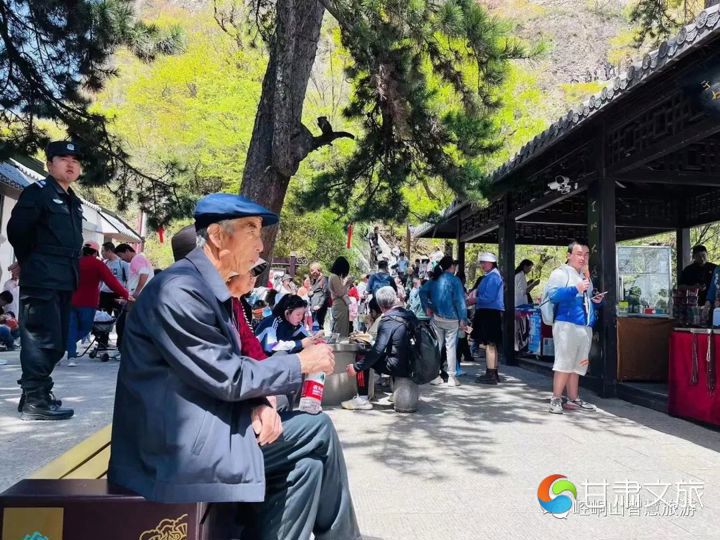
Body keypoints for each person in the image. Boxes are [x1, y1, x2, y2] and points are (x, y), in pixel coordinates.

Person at [109, 193, 360, 540]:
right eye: (251, 230)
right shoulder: (179, 291)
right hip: (172, 452)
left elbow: (220, 368)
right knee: (318, 429)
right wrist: (299, 363)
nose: (261, 244)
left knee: (307, 467)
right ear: (216, 235)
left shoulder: (207, 290)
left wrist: (258, 404)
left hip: (204, 429)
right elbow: (228, 375)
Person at [7, 141, 84, 421]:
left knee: (57, 341)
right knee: (40, 338)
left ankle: (35, 393)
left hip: (64, 277)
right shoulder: (38, 192)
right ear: (49, 164)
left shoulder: (73, 200)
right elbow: (17, 231)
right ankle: (35, 400)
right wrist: (30, 261)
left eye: (75, 160)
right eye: (63, 158)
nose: (70, 164)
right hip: (42, 277)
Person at [545, 240, 603, 414]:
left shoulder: (585, 276)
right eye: (579, 254)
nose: (583, 258)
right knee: (564, 363)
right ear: (569, 255)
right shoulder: (560, 273)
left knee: (578, 365)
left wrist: (596, 302)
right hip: (566, 324)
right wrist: (575, 289)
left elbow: (586, 300)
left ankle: (573, 398)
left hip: (584, 326)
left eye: (586, 255)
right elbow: (553, 295)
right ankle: (556, 398)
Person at [342, 286, 417, 411]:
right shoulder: (409, 314)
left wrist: (356, 367)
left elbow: (377, 350)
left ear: (380, 305)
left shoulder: (387, 320)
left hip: (399, 365)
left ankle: (362, 399)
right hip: (414, 362)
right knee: (394, 352)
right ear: (395, 299)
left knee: (362, 355)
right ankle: (393, 392)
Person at [66, 241, 131, 366]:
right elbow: (112, 282)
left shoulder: (74, 263)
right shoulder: (98, 264)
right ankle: (66, 347)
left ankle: (71, 356)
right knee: (86, 328)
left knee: (71, 328)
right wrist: (126, 295)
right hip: (88, 302)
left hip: (71, 300)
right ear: (95, 252)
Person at [419, 255, 468, 387]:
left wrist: (427, 307)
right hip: (452, 319)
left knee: (437, 347)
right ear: (451, 266)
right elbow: (459, 301)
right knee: (450, 347)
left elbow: (422, 292)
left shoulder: (434, 279)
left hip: (437, 317)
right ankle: (452, 377)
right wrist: (463, 318)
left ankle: (435, 376)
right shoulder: (455, 280)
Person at [473, 253, 505, 385]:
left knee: (490, 344)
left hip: (489, 312)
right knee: (492, 344)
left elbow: (489, 297)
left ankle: (491, 373)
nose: (482, 265)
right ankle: (493, 372)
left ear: (491, 263)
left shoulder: (492, 278)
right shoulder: (493, 276)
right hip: (490, 312)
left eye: (484, 262)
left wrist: (474, 299)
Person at [255, 294, 323, 355]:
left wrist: (315, 339)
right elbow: (271, 347)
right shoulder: (272, 322)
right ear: (287, 312)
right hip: (258, 359)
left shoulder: (293, 323)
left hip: (271, 359)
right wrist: (300, 343)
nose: (301, 317)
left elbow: (305, 337)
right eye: (298, 314)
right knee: (281, 354)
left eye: (302, 314)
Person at [329, 256, 351, 337]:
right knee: (340, 328)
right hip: (339, 305)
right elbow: (340, 292)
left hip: (340, 305)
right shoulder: (334, 277)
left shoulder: (335, 277)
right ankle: (339, 343)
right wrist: (348, 284)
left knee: (341, 327)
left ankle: (340, 342)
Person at [308, 262, 330, 329]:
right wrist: (309, 293)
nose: (312, 273)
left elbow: (326, 294)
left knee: (319, 326)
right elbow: (312, 292)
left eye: (313, 271)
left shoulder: (324, 279)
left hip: (320, 307)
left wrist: (319, 305)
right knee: (313, 327)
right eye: (311, 271)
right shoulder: (314, 280)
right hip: (313, 306)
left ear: (318, 270)